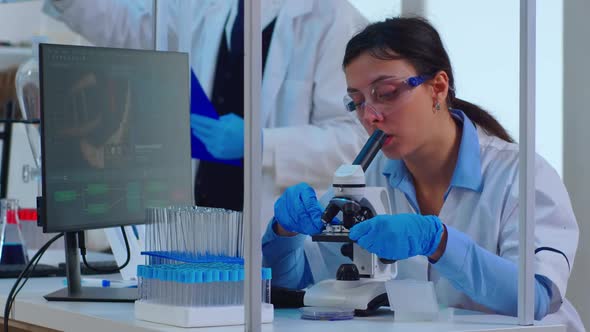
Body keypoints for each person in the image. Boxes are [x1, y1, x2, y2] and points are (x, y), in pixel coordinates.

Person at [262, 17, 584, 331]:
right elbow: (296, 282)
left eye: (385, 93)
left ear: (438, 88)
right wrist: (283, 234)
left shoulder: (521, 176)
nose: (370, 115)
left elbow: (536, 297)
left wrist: (440, 242)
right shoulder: (366, 180)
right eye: (357, 102)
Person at [43, 0, 368, 222]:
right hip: (203, 218)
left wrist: (261, 144)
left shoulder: (333, 19)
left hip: (279, 227)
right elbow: (137, 30)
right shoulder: (204, 5)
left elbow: (354, 139)